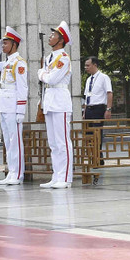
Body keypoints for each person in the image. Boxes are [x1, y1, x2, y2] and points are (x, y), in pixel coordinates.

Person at [0, 26, 28, 185]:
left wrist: (20, 111)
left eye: (5, 43)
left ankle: (17, 174)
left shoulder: (19, 63)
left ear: (14, 44)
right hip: (4, 105)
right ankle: (12, 172)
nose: (3, 46)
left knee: (15, 141)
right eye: (2, 43)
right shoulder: (6, 63)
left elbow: (22, 87)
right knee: (9, 142)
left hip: (13, 106)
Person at [37, 22, 73, 189]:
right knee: (52, 142)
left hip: (60, 100)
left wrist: (41, 73)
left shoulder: (63, 58)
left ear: (61, 40)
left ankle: (65, 178)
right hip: (50, 100)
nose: (50, 37)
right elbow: (47, 80)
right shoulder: (49, 58)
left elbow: (52, 79)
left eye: (53, 35)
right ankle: (56, 175)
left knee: (62, 141)